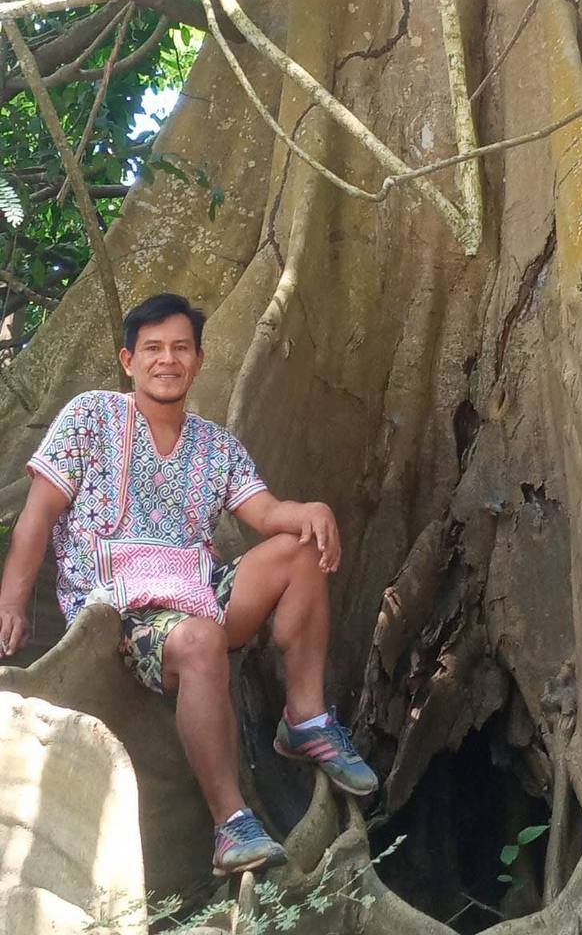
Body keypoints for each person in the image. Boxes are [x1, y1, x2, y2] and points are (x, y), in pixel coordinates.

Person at [0, 292, 377, 876]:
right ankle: (232, 825)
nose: (166, 360)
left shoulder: (216, 445)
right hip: (123, 610)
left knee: (298, 551)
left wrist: (310, 509)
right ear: (129, 360)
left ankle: (305, 721)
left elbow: (267, 511)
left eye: (180, 348)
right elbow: (38, 513)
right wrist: (13, 601)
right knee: (199, 640)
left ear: (199, 360)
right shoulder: (90, 417)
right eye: (152, 349)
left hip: (200, 591)